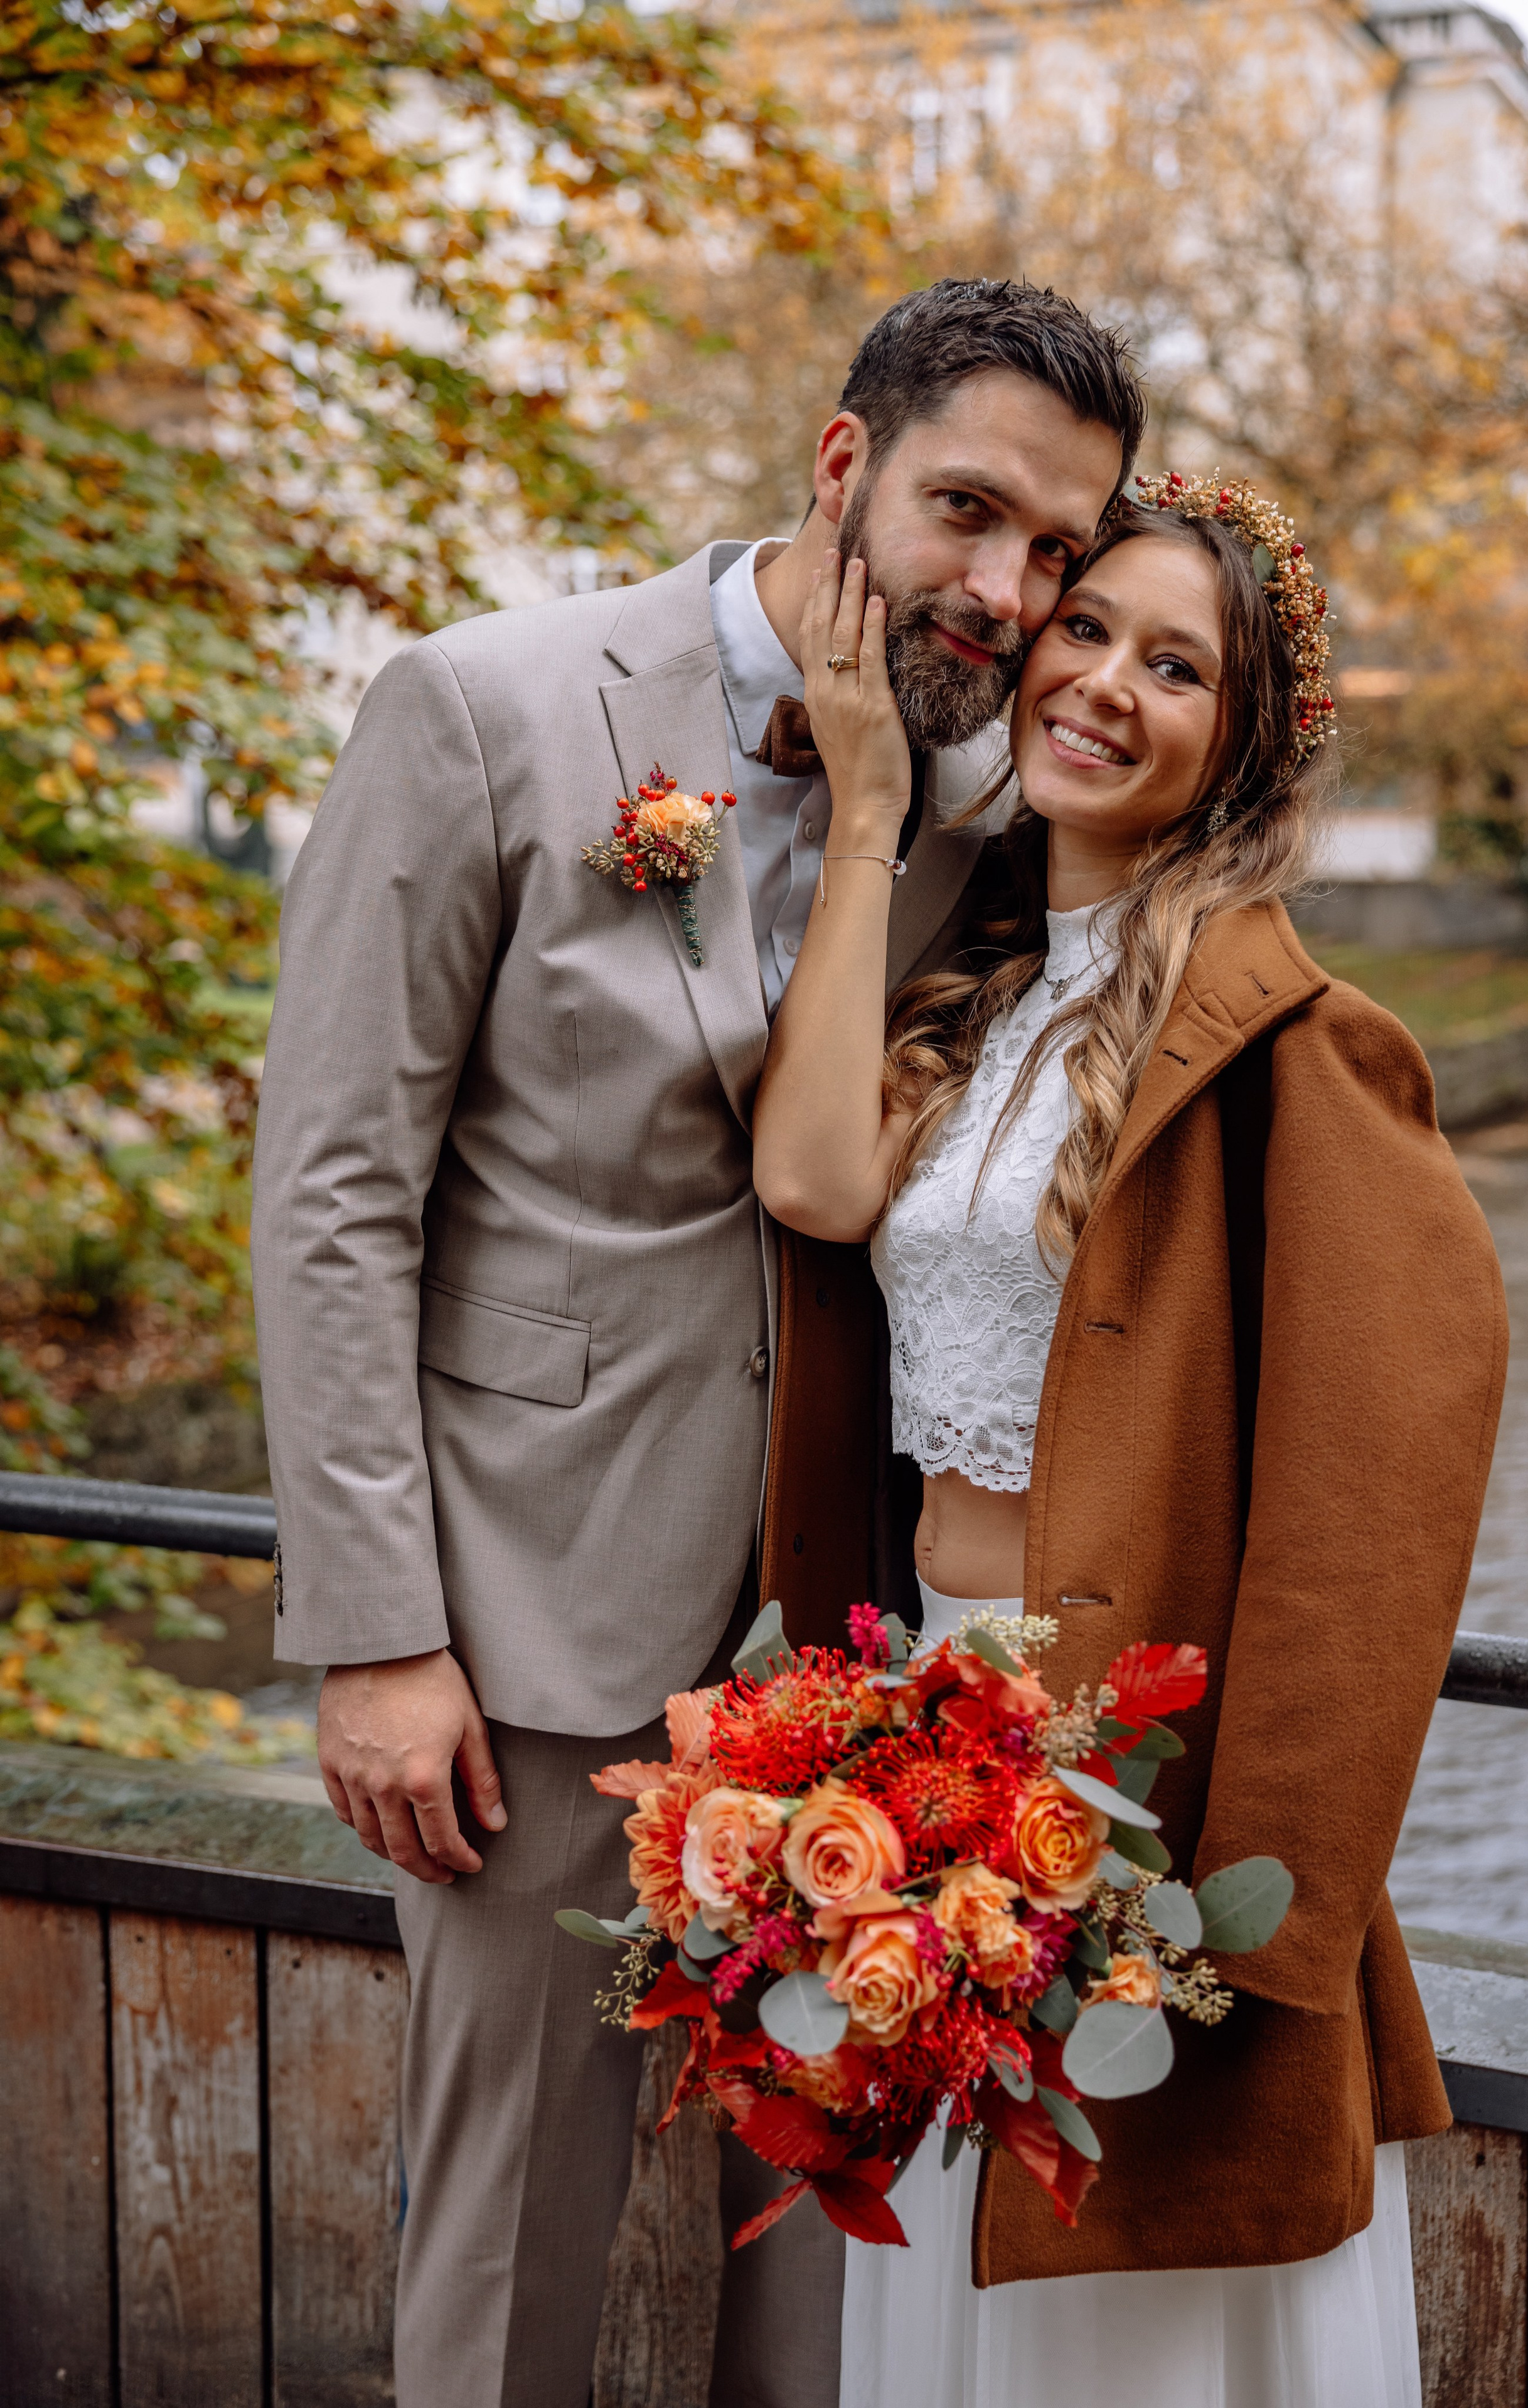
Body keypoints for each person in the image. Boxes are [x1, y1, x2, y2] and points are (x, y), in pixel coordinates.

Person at [250, 277, 1145, 2408]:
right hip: (520, 1635)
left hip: (854, 1655)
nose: (1009, 592)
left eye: (1057, 551)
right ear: (842, 465)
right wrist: (373, 1634)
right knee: (507, 2255)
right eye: (968, 514)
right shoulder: (486, 707)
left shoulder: (991, 794)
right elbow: (333, 1194)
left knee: (828, 2277)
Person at [751, 481, 1507, 2407]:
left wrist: (1238, 1925)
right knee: (959, 2317)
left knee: (1127, 2340)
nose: (1104, 684)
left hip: (1145, 1796)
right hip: (921, 1741)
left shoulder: (1305, 1053)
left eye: (1180, 668)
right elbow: (816, 1181)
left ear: (1241, 743)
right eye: (1086, 629)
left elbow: (1377, 1526)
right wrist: (863, 811)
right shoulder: (971, 983)